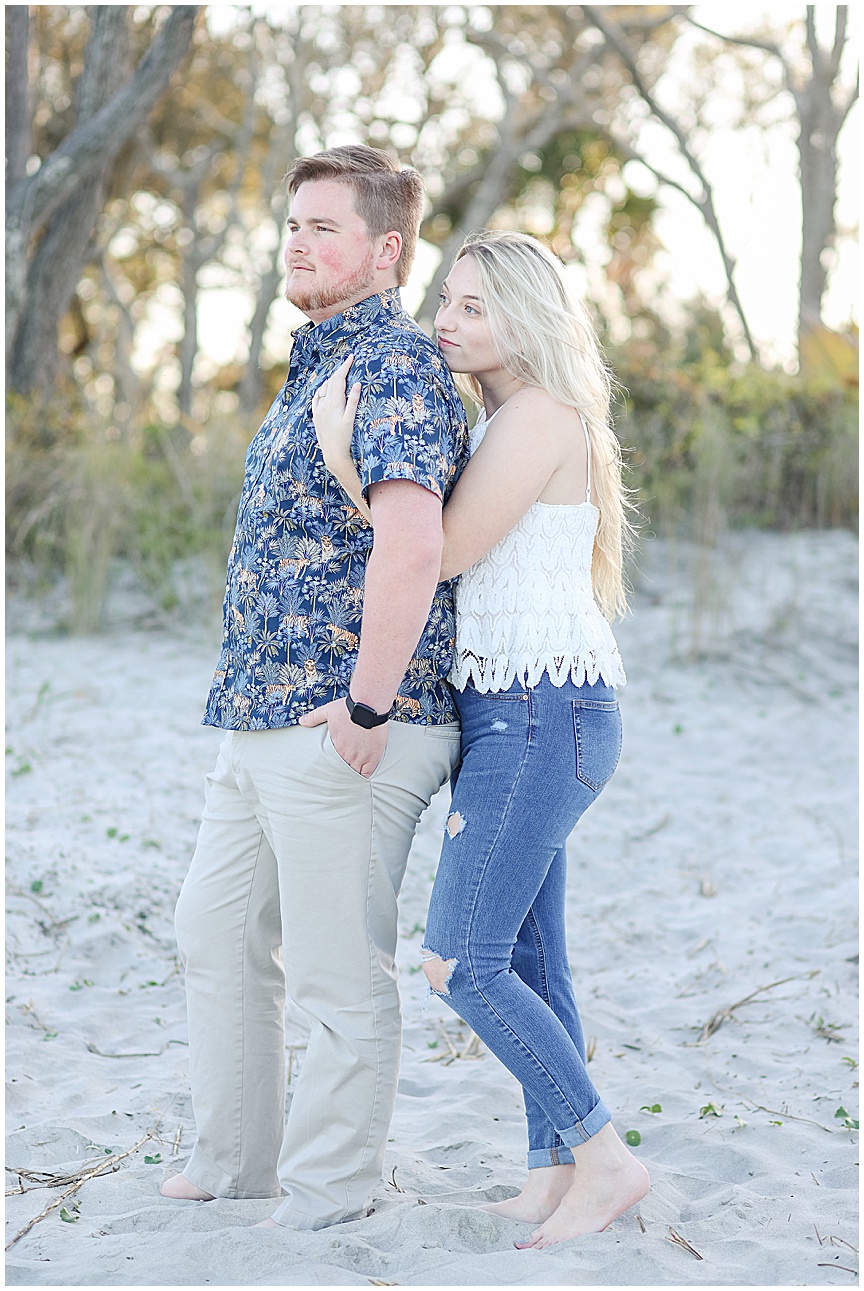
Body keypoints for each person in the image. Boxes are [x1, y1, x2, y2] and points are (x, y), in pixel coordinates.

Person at [310, 229, 649, 1248]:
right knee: (536, 960)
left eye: (473, 307)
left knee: (460, 961)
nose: (446, 322)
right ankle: (555, 1172)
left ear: (527, 318)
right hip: (536, 710)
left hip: (541, 712)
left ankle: (602, 1157)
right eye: (447, 301)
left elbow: (444, 550)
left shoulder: (538, 415)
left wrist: (341, 451)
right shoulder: (516, 415)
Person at [161, 144, 469, 1231]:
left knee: (340, 971)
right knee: (215, 930)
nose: (298, 242)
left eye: (323, 227)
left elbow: (414, 542)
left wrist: (370, 704)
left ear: (387, 250)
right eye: (292, 224)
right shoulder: (316, 365)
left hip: (347, 721)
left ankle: (331, 1193)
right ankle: (236, 1160)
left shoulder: (389, 362)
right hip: (260, 716)